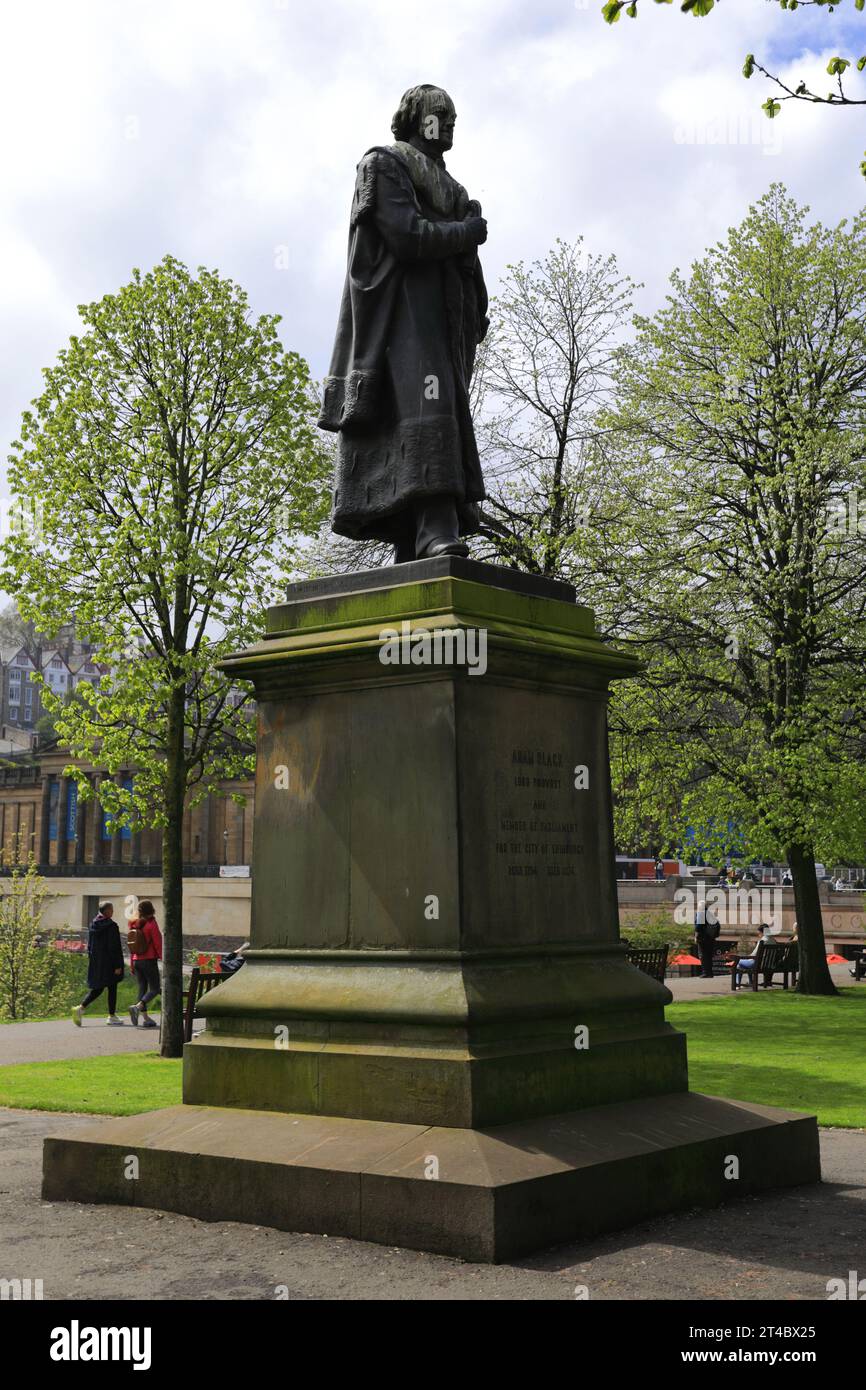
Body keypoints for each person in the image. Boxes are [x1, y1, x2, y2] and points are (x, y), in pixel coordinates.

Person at [318, 84, 489, 562]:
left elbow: (460, 261)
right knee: (423, 412)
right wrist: (467, 232)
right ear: (417, 119)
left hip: (441, 320)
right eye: (441, 114)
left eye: (454, 115)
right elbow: (407, 237)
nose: (450, 122)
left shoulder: (451, 187)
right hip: (400, 318)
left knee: (439, 411)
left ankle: (416, 542)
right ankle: (430, 530)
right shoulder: (383, 164)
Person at [72, 902, 125, 1026]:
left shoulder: (93, 924)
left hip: (98, 962)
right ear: (106, 911)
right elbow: (114, 947)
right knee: (112, 988)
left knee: (99, 987)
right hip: (110, 962)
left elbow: (89, 945)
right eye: (111, 909)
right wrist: (117, 965)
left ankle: (81, 1008)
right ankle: (111, 1016)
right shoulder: (111, 926)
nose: (113, 912)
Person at [127, 900, 163, 1029]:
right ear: (151, 909)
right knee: (154, 989)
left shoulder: (134, 925)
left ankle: (146, 1018)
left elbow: (132, 947)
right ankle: (137, 1007)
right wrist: (163, 958)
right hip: (149, 961)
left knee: (142, 989)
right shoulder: (151, 923)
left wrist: (132, 964)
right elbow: (158, 942)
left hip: (137, 961)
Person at [732, 923, 775, 990]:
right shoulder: (773, 941)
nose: (758, 934)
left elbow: (754, 954)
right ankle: (750, 982)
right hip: (769, 964)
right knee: (745, 964)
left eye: (759, 933)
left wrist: (748, 956)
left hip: (758, 964)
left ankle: (738, 984)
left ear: (762, 932)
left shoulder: (762, 941)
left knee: (739, 962)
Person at [694, 901, 720, 979]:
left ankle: (705, 972)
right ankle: (710, 973)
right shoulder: (709, 913)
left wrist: (696, 936)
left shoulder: (701, 913)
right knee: (708, 955)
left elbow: (698, 927)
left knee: (703, 955)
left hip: (703, 938)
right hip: (711, 938)